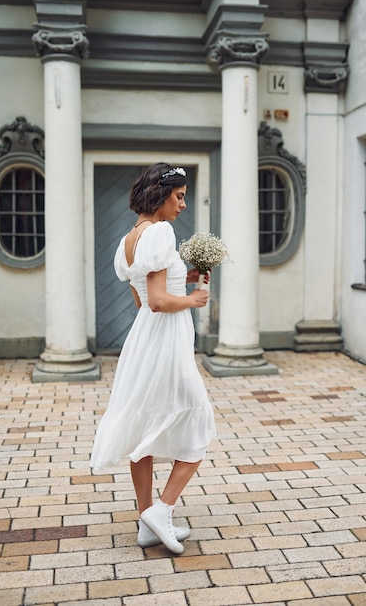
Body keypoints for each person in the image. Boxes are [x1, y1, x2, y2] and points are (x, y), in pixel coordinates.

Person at [90, 162, 216, 555]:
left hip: (143, 340)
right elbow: (160, 302)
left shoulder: (129, 239)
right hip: (166, 340)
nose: (182, 204)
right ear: (160, 196)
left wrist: (188, 278)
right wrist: (193, 300)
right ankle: (163, 509)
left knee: (143, 427)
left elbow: (141, 298)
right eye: (179, 196)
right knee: (197, 419)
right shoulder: (161, 232)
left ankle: (147, 521)